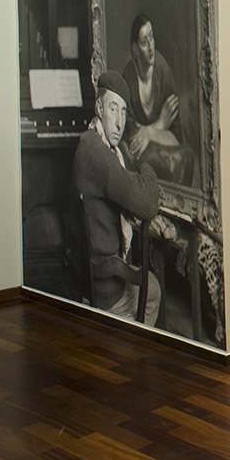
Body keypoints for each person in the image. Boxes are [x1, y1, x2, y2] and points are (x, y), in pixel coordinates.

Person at [74, 70, 163, 325]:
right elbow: (147, 205)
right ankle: (136, 348)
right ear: (99, 107)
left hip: (95, 275)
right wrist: (146, 168)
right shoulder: (97, 154)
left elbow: (128, 186)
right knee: (153, 289)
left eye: (124, 112)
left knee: (151, 283)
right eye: (113, 109)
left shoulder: (94, 143)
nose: (119, 122)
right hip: (105, 291)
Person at [121, 12, 194, 185]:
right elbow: (133, 138)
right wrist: (159, 126)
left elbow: (176, 139)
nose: (151, 47)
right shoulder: (129, 77)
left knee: (181, 159)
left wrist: (149, 132)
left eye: (152, 38)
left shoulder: (162, 71)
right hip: (139, 154)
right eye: (144, 42)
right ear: (135, 49)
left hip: (164, 151)